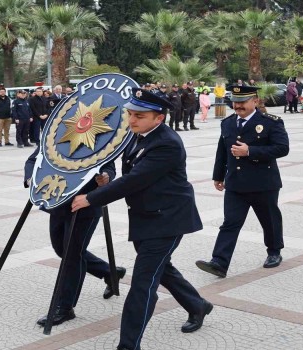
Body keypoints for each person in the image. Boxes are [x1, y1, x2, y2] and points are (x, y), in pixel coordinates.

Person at [72, 88, 211, 350]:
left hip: (167, 220)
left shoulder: (166, 143)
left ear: (158, 118)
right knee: (162, 269)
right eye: (130, 114)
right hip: (146, 217)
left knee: (143, 285)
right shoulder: (138, 135)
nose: (132, 120)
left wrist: (91, 198)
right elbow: (126, 169)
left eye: (139, 115)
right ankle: (197, 305)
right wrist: (105, 177)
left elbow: (135, 179)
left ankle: (128, 345)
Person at [24, 148, 126, 326]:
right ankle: (110, 272)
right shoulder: (60, 132)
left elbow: (109, 167)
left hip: (85, 206)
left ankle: (64, 307)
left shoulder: (99, 138)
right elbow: (34, 159)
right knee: (61, 249)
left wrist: (106, 178)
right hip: (57, 202)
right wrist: (31, 178)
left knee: (72, 255)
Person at [196, 85, 289, 279]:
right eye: (235, 102)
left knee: (269, 219)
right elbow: (222, 150)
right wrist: (218, 175)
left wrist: (250, 151)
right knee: (230, 222)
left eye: (242, 102)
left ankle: (274, 252)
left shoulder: (271, 122)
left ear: (255, 101)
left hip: (263, 182)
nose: (238, 106)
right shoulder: (228, 123)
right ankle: (219, 262)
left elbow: (282, 148)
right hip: (236, 183)